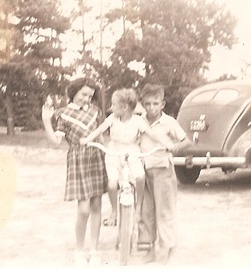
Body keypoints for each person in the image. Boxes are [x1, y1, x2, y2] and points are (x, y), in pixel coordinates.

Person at [80, 88, 173, 228]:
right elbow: (99, 130)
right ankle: (114, 212)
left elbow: (152, 133)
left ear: (124, 108)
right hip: (114, 151)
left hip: (131, 151)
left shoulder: (137, 121)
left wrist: (166, 143)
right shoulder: (112, 118)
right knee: (112, 184)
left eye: (113, 105)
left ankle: (138, 208)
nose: (111, 108)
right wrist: (87, 139)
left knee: (140, 177)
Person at [41, 78, 107, 266]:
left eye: (90, 96)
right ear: (74, 92)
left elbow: (100, 136)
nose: (87, 99)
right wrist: (47, 121)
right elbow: (55, 143)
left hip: (96, 158)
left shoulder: (95, 112)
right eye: (83, 94)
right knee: (83, 209)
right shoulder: (64, 114)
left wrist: (107, 153)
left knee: (96, 206)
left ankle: (94, 250)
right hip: (78, 160)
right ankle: (79, 251)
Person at [137, 83, 192, 265]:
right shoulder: (140, 121)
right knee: (146, 212)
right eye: (147, 104)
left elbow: (187, 141)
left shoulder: (169, 122)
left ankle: (169, 250)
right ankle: (149, 250)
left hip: (162, 170)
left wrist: (174, 147)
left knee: (164, 211)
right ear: (142, 104)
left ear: (163, 104)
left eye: (155, 103)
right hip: (144, 171)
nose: (151, 107)